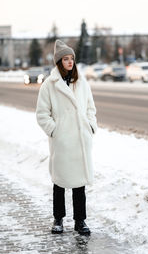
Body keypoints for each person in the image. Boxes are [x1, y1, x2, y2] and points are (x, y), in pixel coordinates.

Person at [36, 39, 97, 235]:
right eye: (66, 59)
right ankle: (58, 219)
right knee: (60, 182)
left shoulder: (82, 83)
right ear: (58, 62)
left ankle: (80, 221)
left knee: (79, 184)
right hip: (62, 141)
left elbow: (90, 108)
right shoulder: (49, 85)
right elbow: (42, 114)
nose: (70, 62)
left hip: (80, 140)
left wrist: (90, 126)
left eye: (72, 58)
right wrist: (55, 131)